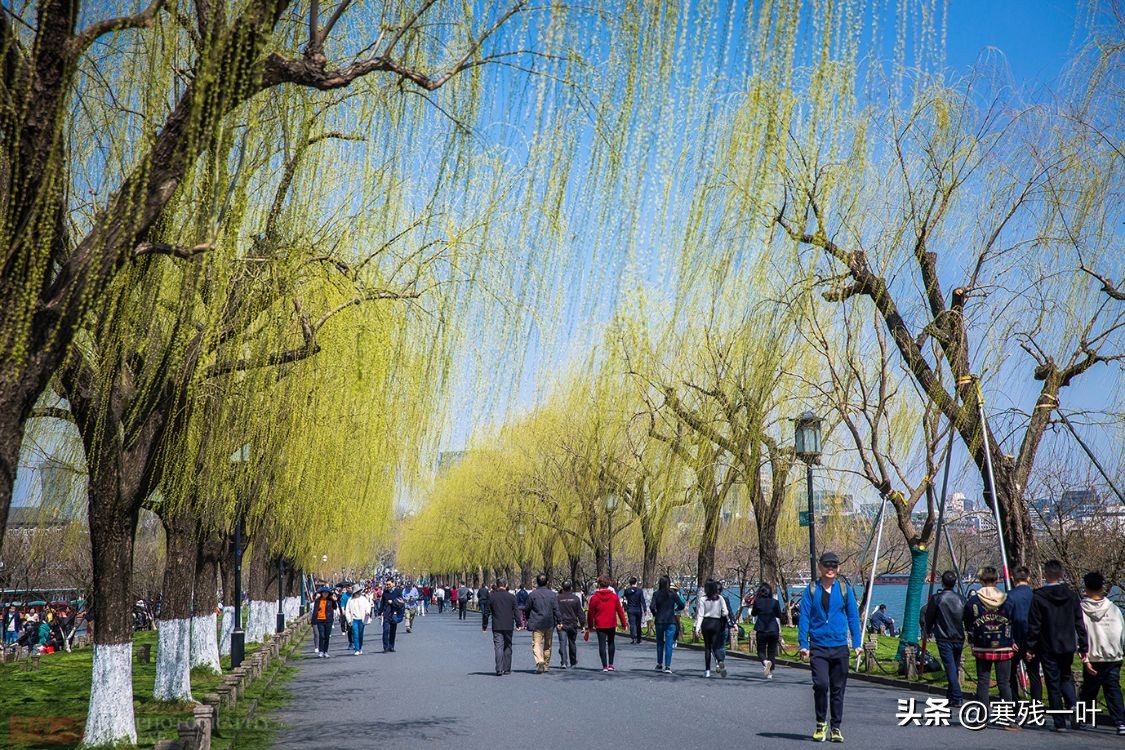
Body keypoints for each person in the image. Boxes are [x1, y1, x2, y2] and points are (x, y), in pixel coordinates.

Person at [797, 551, 862, 744]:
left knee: (837, 689)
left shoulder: (844, 589)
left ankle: (836, 727)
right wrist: (803, 644)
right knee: (821, 685)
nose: (830, 568)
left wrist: (857, 643)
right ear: (820, 567)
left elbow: (853, 617)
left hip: (840, 645)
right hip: (818, 646)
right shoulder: (810, 590)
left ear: (839, 568)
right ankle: (820, 723)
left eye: (834, 565)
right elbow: (805, 619)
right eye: (827, 565)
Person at [1026, 559, 1089, 732]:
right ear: (1061, 574)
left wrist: (1030, 647)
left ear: (1045, 574)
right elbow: (1079, 622)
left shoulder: (1038, 597)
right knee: (1066, 676)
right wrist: (1084, 646)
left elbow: (1035, 624)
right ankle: (1073, 705)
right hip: (1068, 644)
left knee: (1052, 682)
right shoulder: (1071, 595)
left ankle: (1059, 721)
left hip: (1047, 645)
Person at [962, 566, 1016, 718]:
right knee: (1004, 683)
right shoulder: (1007, 599)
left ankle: (982, 717)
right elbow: (1015, 620)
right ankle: (1009, 718)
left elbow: (968, 622)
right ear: (997, 580)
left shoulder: (973, 601)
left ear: (980, 580)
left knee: (983, 682)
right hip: (1004, 645)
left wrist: (972, 642)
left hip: (982, 645)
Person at [1079, 571, 1125, 735]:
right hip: (1113, 655)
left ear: (1086, 588)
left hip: (1092, 656)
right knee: (1113, 690)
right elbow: (1120, 633)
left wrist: (1084, 657)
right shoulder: (1114, 609)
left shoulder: (1081, 609)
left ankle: (1084, 719)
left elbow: (1080, 634)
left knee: (1089, 690)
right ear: (1102, 587)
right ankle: (1120, 722)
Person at [923, 571, 966, 706]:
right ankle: (951, 696)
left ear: (942, 582)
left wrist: (927, 630)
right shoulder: (961, 598)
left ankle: (957, 696)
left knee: (950, 667)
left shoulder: (937, 599)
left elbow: (929, 616)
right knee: (954, 664)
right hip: (959, 636)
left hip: (944, 636)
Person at [1007, 565, 1041, 703]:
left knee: (1011, 675)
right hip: (1033, 641)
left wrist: (1010, 639)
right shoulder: (1035, 596)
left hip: (1015, 641)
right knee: (1034, 676)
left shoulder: (1009, 596)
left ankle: (1014, 705)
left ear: (1013, 578)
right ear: (1028, 578)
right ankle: (1036, 707)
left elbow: (1006, 620)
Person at [585, 574, 628, 672]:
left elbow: (590, 613)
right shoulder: (614, 597)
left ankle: (604, 666)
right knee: (611, 643)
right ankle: (611, 664)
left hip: (600, 624)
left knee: (602, 644)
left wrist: (590, 625)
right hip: (611, 623)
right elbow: (620, 611)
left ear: (599, 585)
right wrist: (624, 624)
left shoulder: (594, 598)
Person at [524, 573, 563, 673]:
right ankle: (546, 665)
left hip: (537, 622)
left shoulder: (532, 594)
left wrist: (528, 619)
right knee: (548, 645)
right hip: (549, 623)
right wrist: (559, 621)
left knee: (536, 644)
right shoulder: (552, 594)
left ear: (537, 582)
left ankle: (539, 661)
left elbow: (527, 608)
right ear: (547, 582)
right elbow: (556, 609)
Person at [693, 578, 732, 677]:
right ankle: (720, 661)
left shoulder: (702, 599)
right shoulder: (720, 598)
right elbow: (726, 612)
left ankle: (707, 671)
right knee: (715, 646)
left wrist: (697, 628)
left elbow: (700, 615)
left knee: (707, 648)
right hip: (716, 623)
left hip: (706, 623)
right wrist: (721, 613)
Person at [485, 577, 520, 675]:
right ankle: (507, 668)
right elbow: (516, 611)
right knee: (508, 645)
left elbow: (486, 612)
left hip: (497, 625)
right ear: (505, 585)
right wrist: (519, 623)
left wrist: (484, 625)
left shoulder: (492, 596)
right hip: (509, 625)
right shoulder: (511, 597)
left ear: (497, 585)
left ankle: (499, 669)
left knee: (498, 646)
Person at [649, 575, 684, 673]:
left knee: (660, 643)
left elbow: (652, 606)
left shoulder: (656, 594)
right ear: (669, 584)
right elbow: (682, 604)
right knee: (669, 644)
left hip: (659, 621)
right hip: (670, 621)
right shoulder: (672, 594)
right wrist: (676, 609)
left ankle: (659, 664)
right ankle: (667, 666)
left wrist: (655, 614)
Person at [751, 582, 782, 679]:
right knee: (772, 651)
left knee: (761, 650)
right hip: (773, 629)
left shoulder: (757, 601)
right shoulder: (775, 602)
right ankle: (770, 673)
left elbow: (753, 613)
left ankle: (765, 662)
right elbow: (779, 615)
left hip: (761, 629)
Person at [557, 580, 586, 669]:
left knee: (562, 643)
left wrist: (556, 622)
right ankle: (573, 661)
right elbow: (580, 613)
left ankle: (564, 662)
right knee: (572, 643)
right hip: (573, 623)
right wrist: (583, 625)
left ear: (562, 588)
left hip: (561, 623)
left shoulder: (558, 598)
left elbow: (555, 611)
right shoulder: (575, 598)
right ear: (571, 588)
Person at [310, 587, 338, 657]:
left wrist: (334, 600)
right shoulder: (318, 600)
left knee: (327, 636)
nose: (325, 594)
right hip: (320, 620)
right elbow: (315, 611)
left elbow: (335, 607)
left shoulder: (330, 600)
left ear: (328, 594)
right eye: (324, 593)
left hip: (328, 620)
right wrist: (313, 621)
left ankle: (326, 651)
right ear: (321, 593)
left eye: (327, 593)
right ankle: (321, 651)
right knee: (321, 636)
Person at [344, 585, 372, 655]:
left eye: (359, 592)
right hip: (354, 619)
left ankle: (360, 647)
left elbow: (368, 606)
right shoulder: (350, 600)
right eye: (356, 592)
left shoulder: (363, 599)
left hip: (361, 619)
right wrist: (349, 620)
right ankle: (356, 649)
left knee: (360, 634)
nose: (358, 593)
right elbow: (347, 610)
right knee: (355, 634)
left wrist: (367, 612)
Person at [380, 578, 404, 653]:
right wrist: (380, 612)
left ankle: (391, 646)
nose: (387, 586)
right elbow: (382, 603)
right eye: (386, 584)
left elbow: (401, 602)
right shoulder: (385, 592)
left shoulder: (398, 592)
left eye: (389, 584)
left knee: (393, 631)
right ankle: (385, 647)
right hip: (386, 614)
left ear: (393, 584)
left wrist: (392, 602)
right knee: (385, 630)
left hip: (394, 613)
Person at [622, 577, 646, 644]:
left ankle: (633, 638)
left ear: (630, 583)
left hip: (630, 609)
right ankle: (639, 639)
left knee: (632, 624)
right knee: (638, 624)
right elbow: (642, 600)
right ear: (636, 582)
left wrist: (625, 608)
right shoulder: (639, 591)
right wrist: (645, 609)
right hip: (638, 609)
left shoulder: (627, 591)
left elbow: (624, 599)